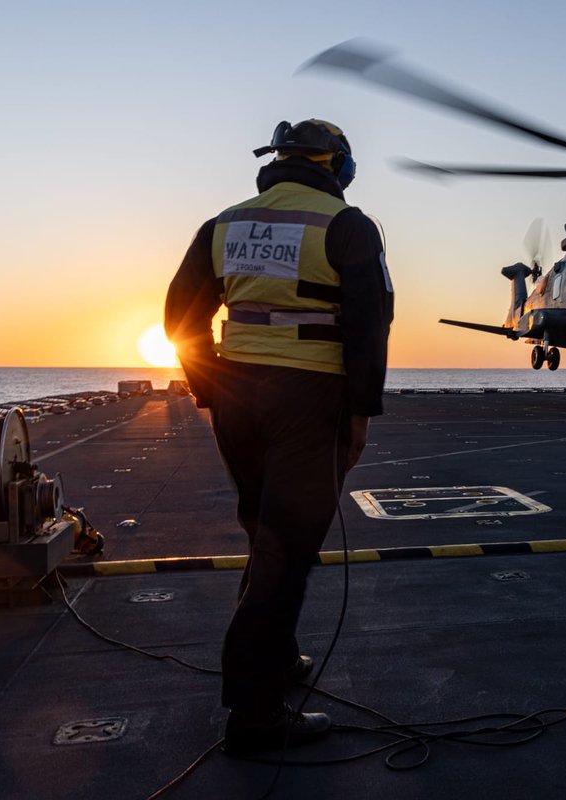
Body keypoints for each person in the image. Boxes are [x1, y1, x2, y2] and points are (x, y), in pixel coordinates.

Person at [164, 119, 393, 755]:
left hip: (237, 398)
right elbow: (369, 325)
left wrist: (209, 386)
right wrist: (360, 412)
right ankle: (255, 715)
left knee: (264, 533)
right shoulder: (347, 225)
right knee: (287, 551)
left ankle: (279, 655)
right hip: (309, 398)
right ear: (335, 164)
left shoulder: (222, 225)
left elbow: (179, 316)